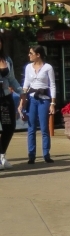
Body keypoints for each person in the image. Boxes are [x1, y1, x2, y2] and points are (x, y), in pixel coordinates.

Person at [19, 45, 56, 164]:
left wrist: (52, 103)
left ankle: (46, 153)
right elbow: (25, 84)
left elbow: (52, 85)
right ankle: (31, 154)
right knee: (31, 127)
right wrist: (22, 102)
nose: (29, 55)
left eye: (31, 53)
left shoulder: (48, 68)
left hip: (43, 99)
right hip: (31, 99)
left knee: (44, 128)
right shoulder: (28, 67)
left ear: (38, 55)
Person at [0, 35, 24, 170]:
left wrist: (21, 92)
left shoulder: (7, 59)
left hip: (5, 97)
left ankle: (1, 155)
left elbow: (12, 79)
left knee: (9, 126)